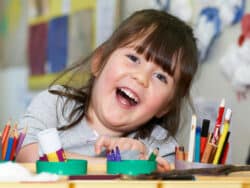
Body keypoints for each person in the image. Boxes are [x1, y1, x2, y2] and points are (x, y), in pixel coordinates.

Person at [16, 9, 198, 172]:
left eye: (161, 77)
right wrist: (118, 167)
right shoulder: (55, 104)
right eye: (133, 58)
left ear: (166, 106)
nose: (141, 79)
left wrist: (145, 162)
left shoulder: (160, 147)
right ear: (99, 61)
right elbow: (27, 155)